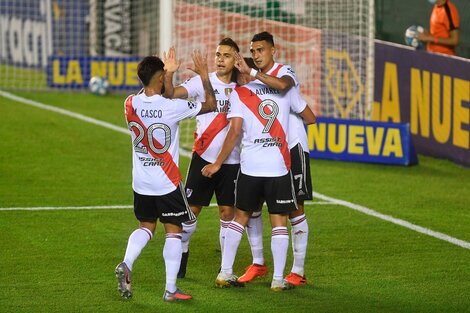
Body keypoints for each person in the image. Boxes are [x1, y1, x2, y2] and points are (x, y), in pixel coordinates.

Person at [202, 43, 316, 292]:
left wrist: (218, 163)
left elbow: (234, 131)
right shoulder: (282, 90)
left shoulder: (248, 90)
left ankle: (229, 271)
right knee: (278, 220)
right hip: (278, 163)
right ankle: (274, 276)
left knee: (246, 216)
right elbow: (311, 117)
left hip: (261, 163)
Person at [115, 51, 216, 302]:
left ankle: (127, 262)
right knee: (174, 230)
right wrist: (204, 76)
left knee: (146, 226)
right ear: (160, 78)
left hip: (141, 181)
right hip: (166, 181)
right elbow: (211, 105)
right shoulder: (173, 107)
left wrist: (166, 73)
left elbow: (152, 94)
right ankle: (170, 289)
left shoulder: (130, 103)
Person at [232, 31, 316, 286]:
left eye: (261, 50)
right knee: (252, 207)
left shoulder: (285, 71)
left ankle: (297, 271)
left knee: (294, 210)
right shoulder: (249, 85)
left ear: (273, 50)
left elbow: (284, 88)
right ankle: (258, 263)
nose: (257, 55)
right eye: (253, 51)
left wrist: (252, 72)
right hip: (264, 150)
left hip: (291, 147)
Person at [162, 38, 241, 278]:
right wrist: (168, 74)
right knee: (191, 212)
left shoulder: (244, 86)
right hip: (203, 157)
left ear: (236, 59)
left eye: (226, 55)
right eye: (218, 54)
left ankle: (225, 270)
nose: (220, 59)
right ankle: (183, 249)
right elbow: (169, 94)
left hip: (233, 161)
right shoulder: (201, 81)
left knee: (228, 213)